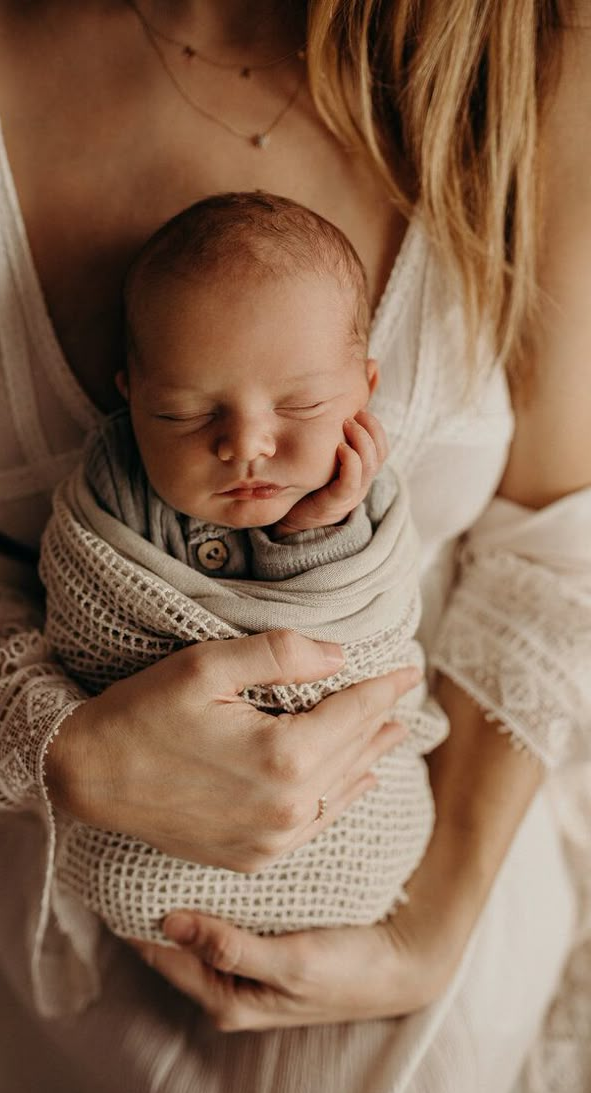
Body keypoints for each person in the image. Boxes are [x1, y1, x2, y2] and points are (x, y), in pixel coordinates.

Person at [0, 1, 588, 1093]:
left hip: (442, 943)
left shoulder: (535, 45)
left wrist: (430, 928)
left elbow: (557, 538)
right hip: (62, 956)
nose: (246, 446)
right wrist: (61, 747)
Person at [39, 189, 448, 944]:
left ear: (365, 388)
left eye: (297, 408)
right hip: (139, 824)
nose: (246, 445)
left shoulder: (357, 511)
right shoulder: (116, 494)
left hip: (356, 827)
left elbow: (366, 623)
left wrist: (321, 527)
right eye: (186, 415)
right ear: (130, 402)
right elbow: (86, 631)